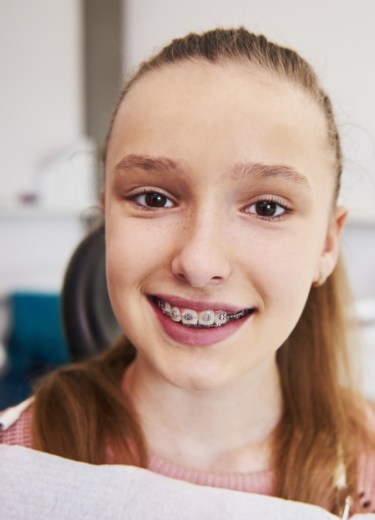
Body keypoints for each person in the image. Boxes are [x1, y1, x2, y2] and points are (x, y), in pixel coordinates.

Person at [1, 27, 374, 516]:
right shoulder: (17, 461)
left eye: (266, 208)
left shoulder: (364, 463)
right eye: (153, 199)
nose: (199, 263)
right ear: (106, 220)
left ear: (327, 242)